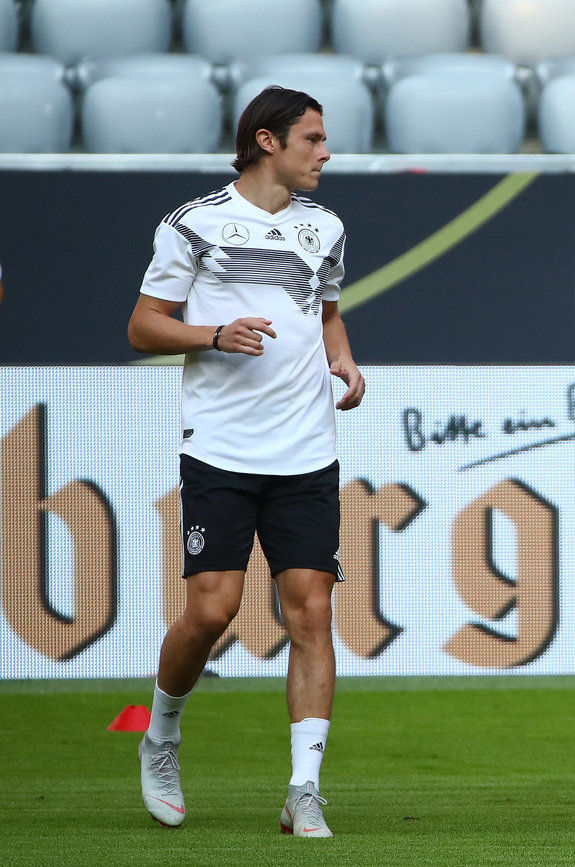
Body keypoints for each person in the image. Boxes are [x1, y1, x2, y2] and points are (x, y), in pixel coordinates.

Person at [127, 85, 364, 838]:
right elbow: (143, 326)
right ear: (267, 141)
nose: (325, 152)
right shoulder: (195, 224)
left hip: (307, 449)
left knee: (312, 610)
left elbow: (325, 312)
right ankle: (162, 735)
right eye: (313, 139)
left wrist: (344, 359)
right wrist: (213, 334)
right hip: (222, 449)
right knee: (212, 610)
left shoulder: (326, 227)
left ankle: (304, 790)